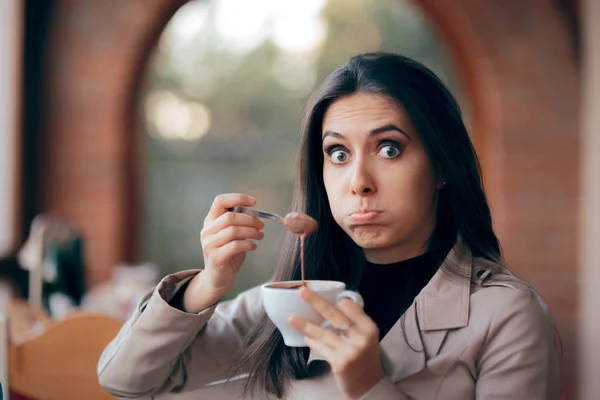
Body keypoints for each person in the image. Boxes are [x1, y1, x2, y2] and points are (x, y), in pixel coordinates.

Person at [98, 52, 558, 399]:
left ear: (441, 166)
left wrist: (369, 384)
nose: (358, 182)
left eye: (389, 148)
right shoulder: (289, 302)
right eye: (338, 154)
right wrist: (207, 283)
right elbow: (125, 379)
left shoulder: (506, 315)